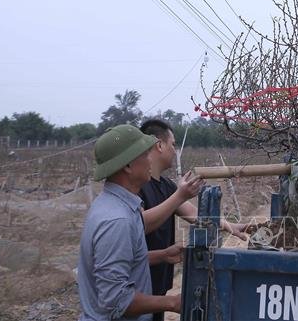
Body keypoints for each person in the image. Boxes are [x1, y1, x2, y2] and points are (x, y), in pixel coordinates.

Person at [77, 124, 205, 321]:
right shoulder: (117, 221)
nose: (149, 160)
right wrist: (173, 302)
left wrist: (162, 255)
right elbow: (116, 300)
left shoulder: (114, 206)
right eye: (145, 155)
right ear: (128, 166)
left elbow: (122, 262)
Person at [138, 119, 249, 321]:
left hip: (158, 281)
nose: (175, 150)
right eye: (173, 144)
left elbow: (192, 213)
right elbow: (138, 225)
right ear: (159, 145)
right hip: (137, 283)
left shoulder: (166, 186)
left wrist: (229, 226)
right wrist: (179, 195)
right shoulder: (138, 187)